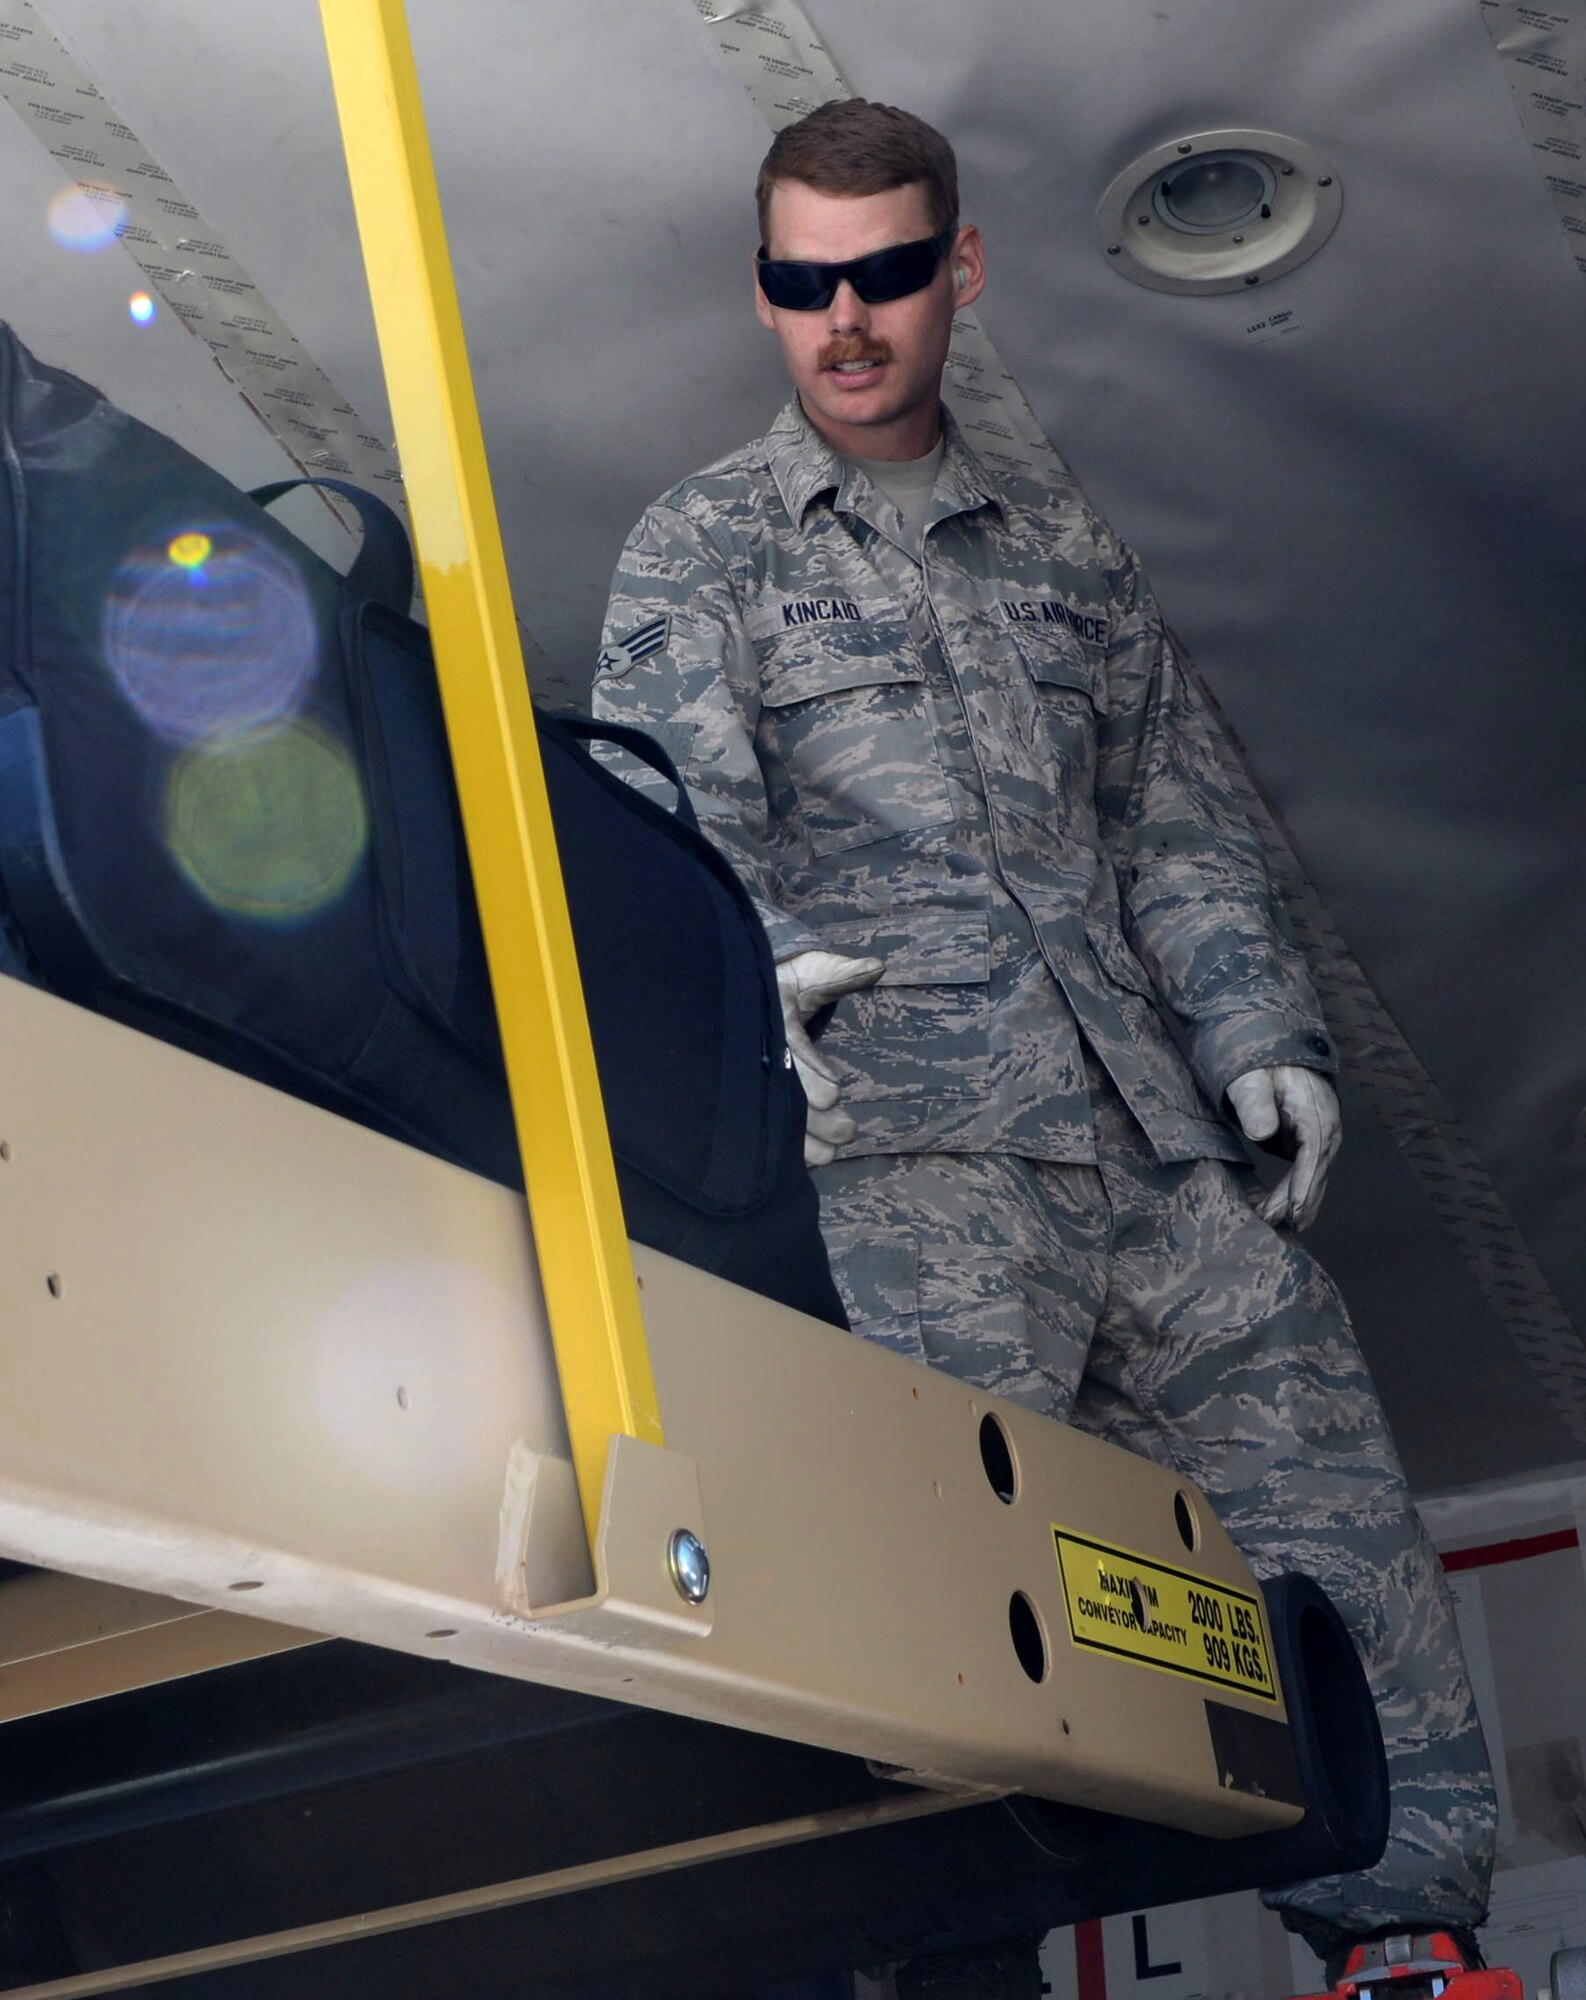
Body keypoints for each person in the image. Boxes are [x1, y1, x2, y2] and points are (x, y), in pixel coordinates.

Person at [592, 97, 1497, 1997]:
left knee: (1328, 1513)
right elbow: (664, 823)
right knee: (925, 1619)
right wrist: (744, 971)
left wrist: (1263, 1031)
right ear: (764, 295)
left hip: (1154, 1154)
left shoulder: (1068, 555)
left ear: (960, 271)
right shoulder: (710, 545)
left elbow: (1172, 823)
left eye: (887, 275)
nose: (845, 319)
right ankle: (928, 1975)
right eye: (803, 282)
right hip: (914, 1168)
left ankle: (1404, 1949)